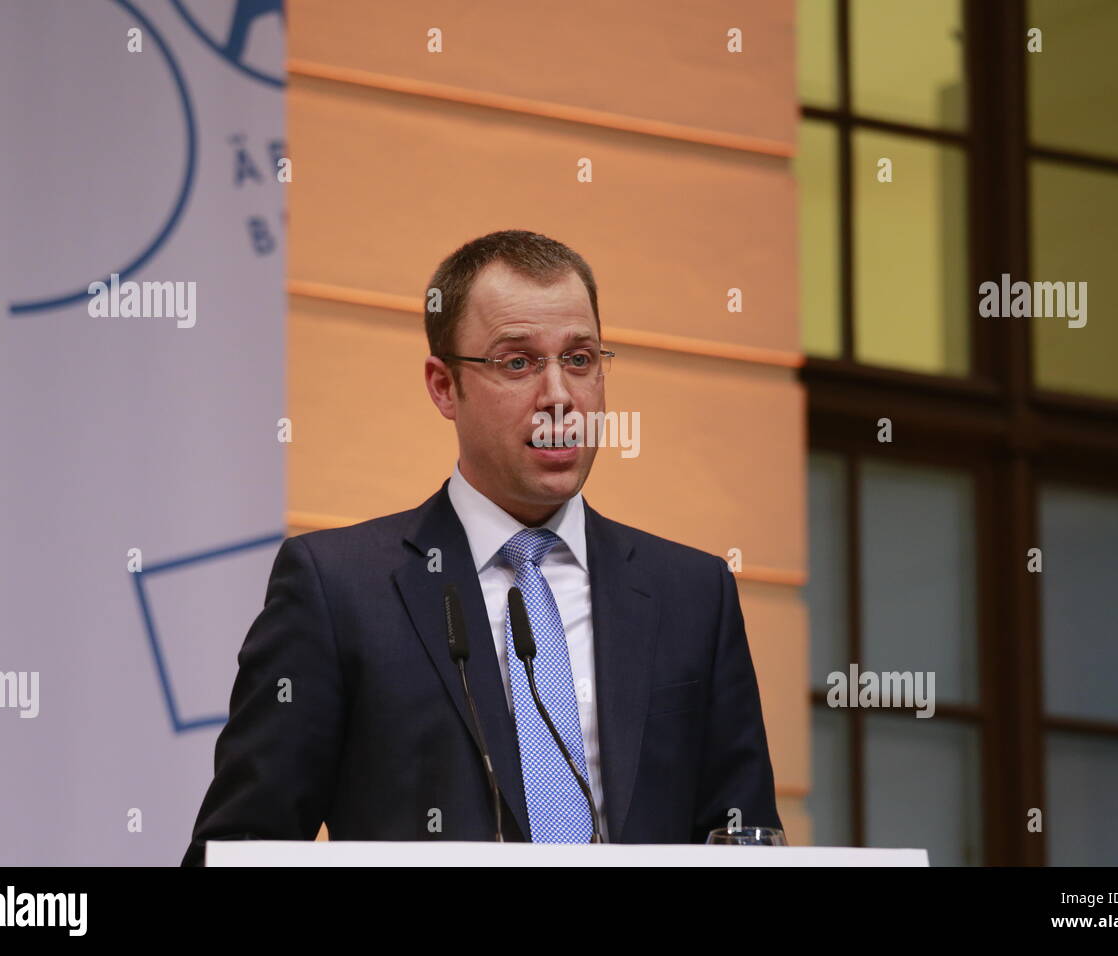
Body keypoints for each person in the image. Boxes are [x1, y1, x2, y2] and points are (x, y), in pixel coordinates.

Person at [181, 230, 780, 864]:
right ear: (443, 386)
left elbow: (745, 839)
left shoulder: (693, 593)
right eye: (517, 362)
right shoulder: (338, 589)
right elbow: (242, 848)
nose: (559, 397)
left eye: (579, 359)